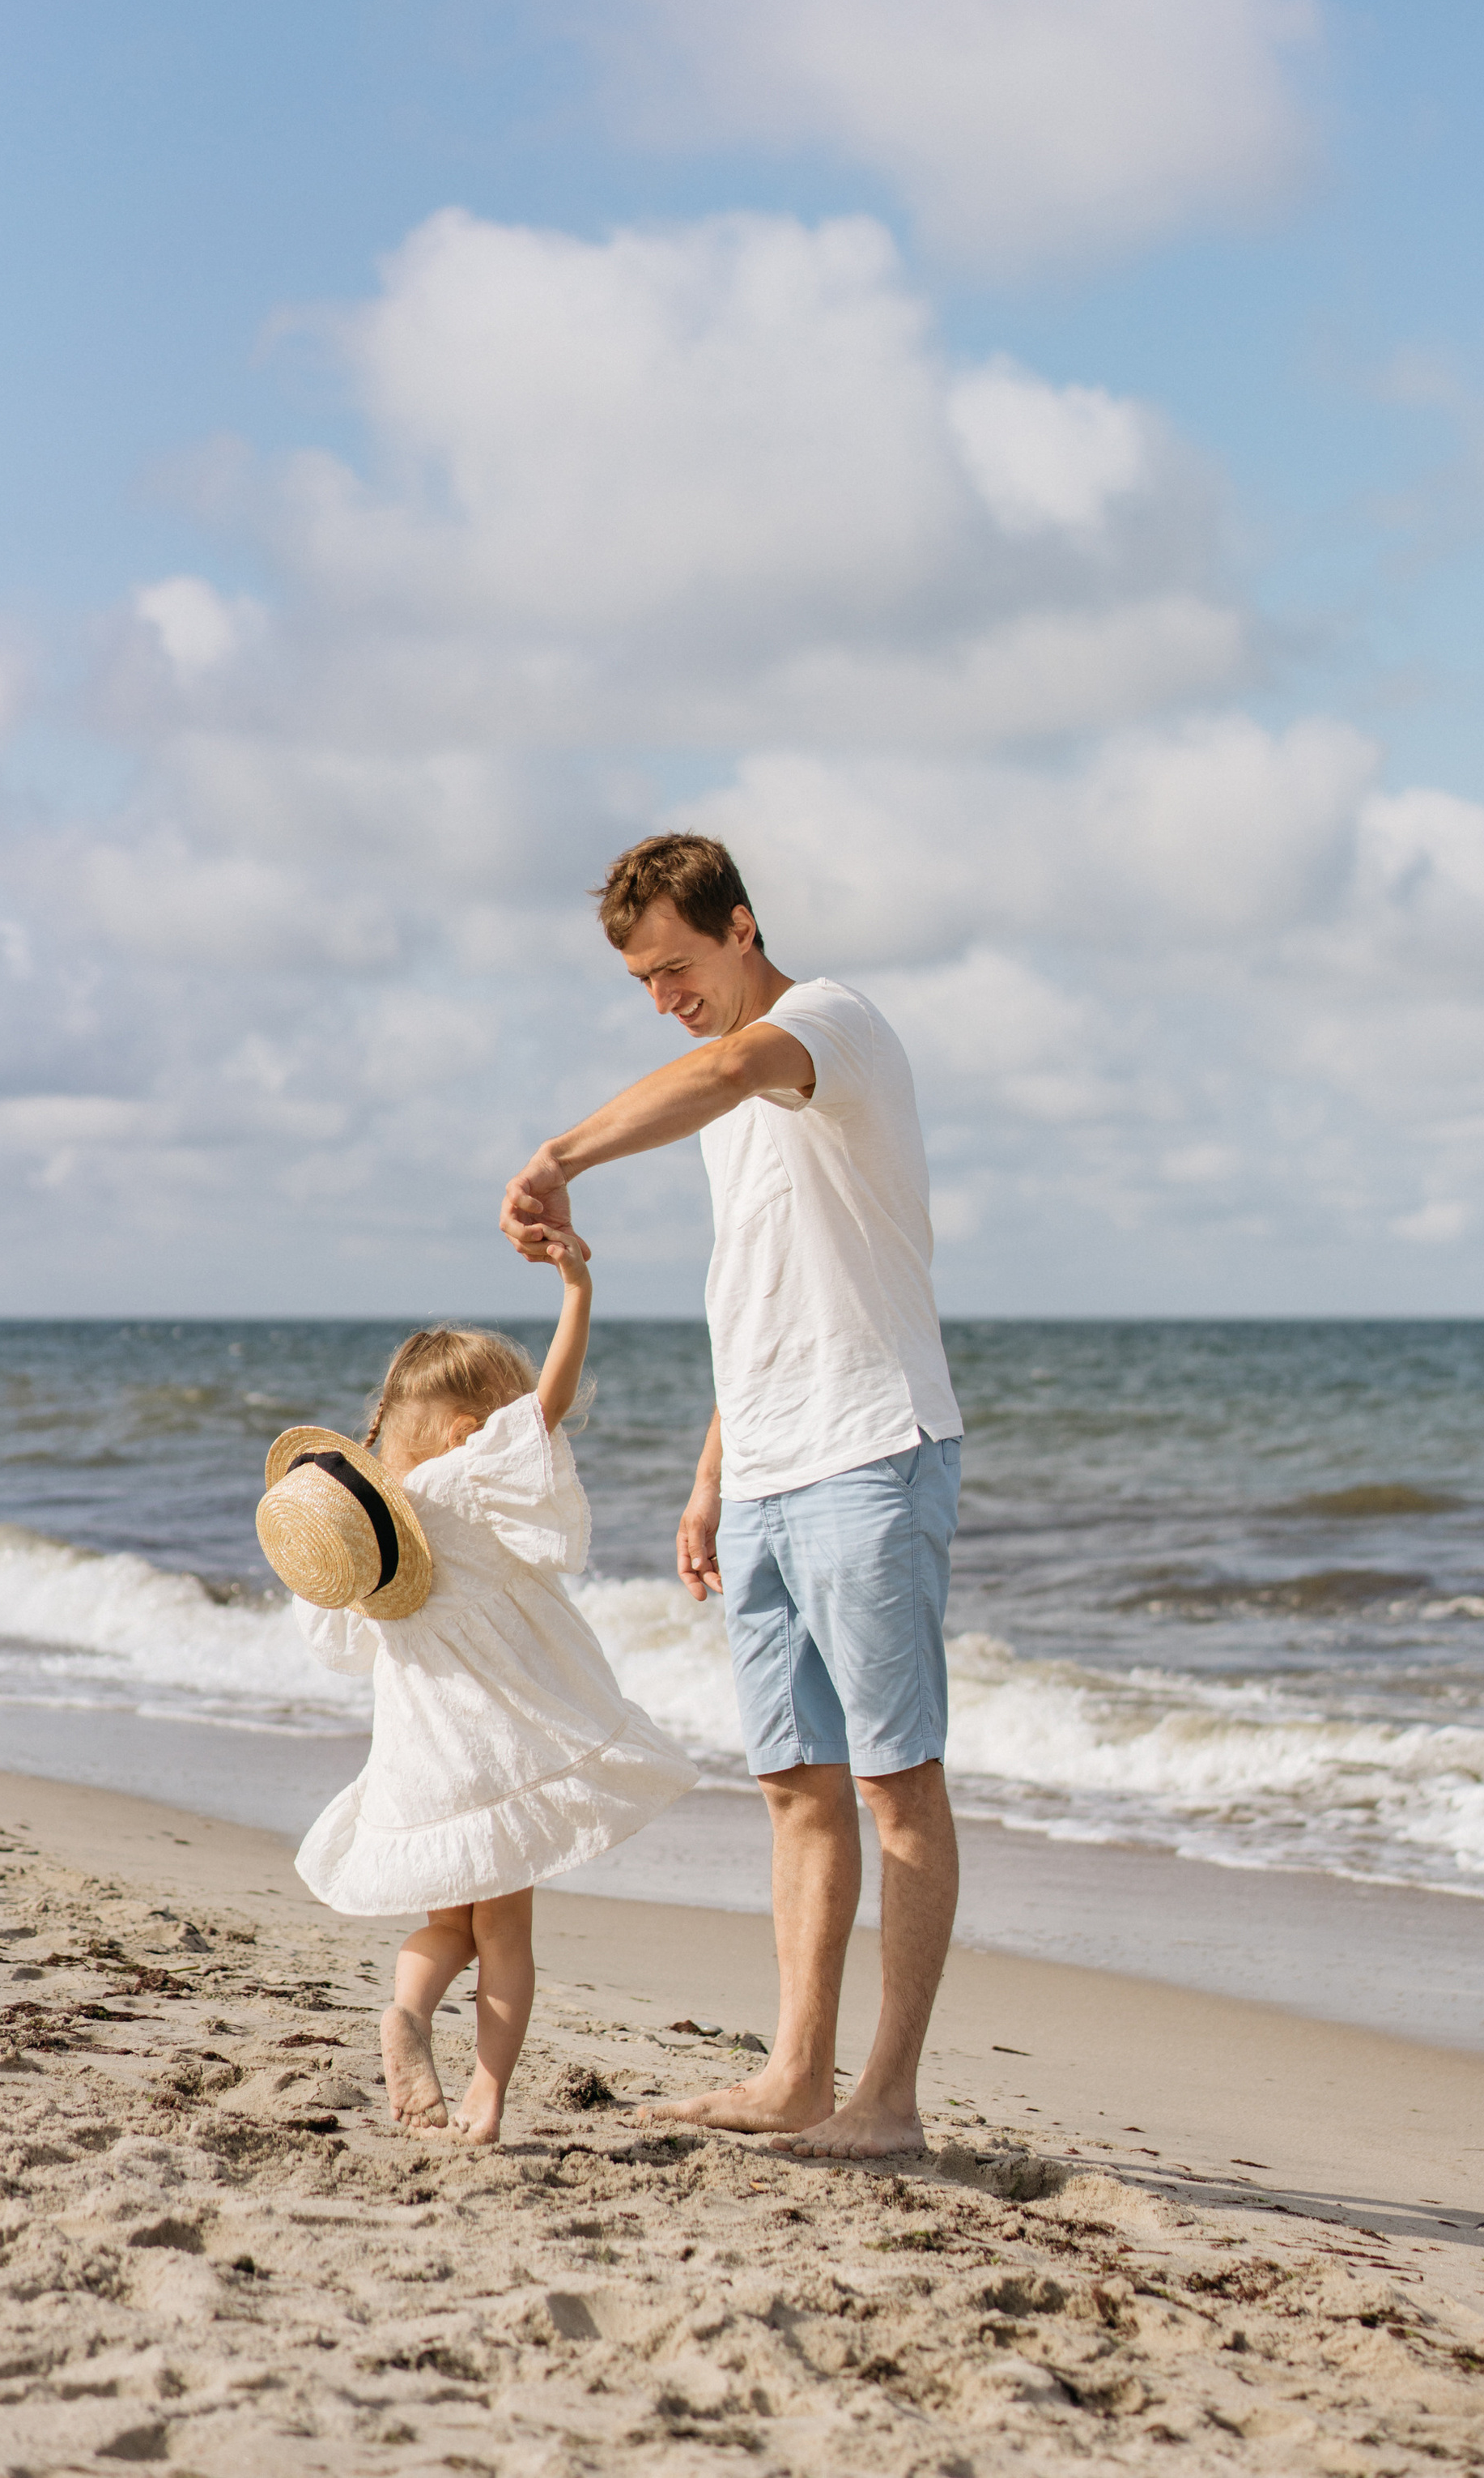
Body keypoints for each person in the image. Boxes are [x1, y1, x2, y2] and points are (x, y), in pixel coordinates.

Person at [499, 831, 963, 2161]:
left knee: (893, 1780)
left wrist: (560, 1153)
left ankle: (889, 2096)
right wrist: (711, 1478)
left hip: (873, 1454)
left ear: (744, 923)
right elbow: (765, 1299)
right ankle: (797, 2073)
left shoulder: (828, 1026)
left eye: (677, 966)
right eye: (641, 980)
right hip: (764, 1473)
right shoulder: (720, 1116)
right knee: (796, 1783)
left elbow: (721, 1066)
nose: (664, 997)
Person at [260, 1239, 696, 2144]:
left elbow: (338, 1632)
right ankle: (487, 2098)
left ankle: (408, 2014)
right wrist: (578, 1288)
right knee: (506, 1939)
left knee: (447, 1928)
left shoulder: (375, 1536)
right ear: (469, 1430)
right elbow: (553, 1401)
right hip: (496, 1757)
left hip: (419, 1767)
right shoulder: (466, 1482)